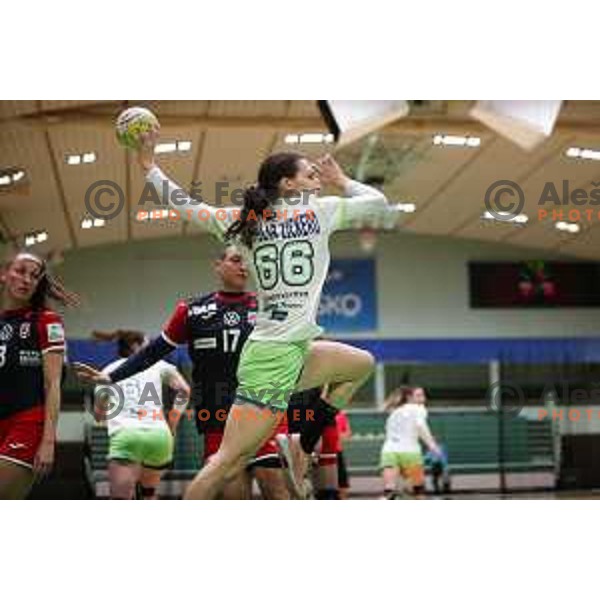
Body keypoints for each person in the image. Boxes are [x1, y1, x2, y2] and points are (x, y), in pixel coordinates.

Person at [80, 125, 392, 499]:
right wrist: (342, 180)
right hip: (272, 359)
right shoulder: (320, 212)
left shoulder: (241, 221)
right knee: (225, 464)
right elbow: (377, 202)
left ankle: (300, 444)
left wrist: (149, 166)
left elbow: (185, 204)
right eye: (310, 174)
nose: (318, 178)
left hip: (292, 349)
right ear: (287, 184)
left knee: (360, 364)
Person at [76, 246, 293, 499]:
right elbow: (153, 351)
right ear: (218, 265)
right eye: (235, 260)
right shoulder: (191, 310)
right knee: (234, 497)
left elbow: (295, 359)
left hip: (263, 411)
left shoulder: (270, 309)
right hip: (217, 417)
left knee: (277, 491)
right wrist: (111, 377)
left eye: (247, 262)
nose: (243, 266)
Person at [0, 251, 78, 499]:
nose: (26, 280)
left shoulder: (46, 321)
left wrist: (48, 441)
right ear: (4, 274)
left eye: (34, 276)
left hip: (27, 422)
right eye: (20, 271)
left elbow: (53, 383)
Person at [91, 329, 190, 499]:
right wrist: (171, 423)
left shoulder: (108, 371)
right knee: (148, 494)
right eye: (147, 344)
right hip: (159, 435)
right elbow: (184, 391)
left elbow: (98, 415)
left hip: (126, 435)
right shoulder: (158, 365)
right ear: (135, 346)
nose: (151, 348)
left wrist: (111, 414)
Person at [380, 386, 441, 499]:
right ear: (410, 397)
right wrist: (433, 445)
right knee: (418, 491)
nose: (422, 398)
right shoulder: (419, 408)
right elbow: (421, 426)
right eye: (418, 395)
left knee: (389, 490)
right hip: (410, 452)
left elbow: (383, 409)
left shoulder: (395, 411)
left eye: (422, 395)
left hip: (389, 451)